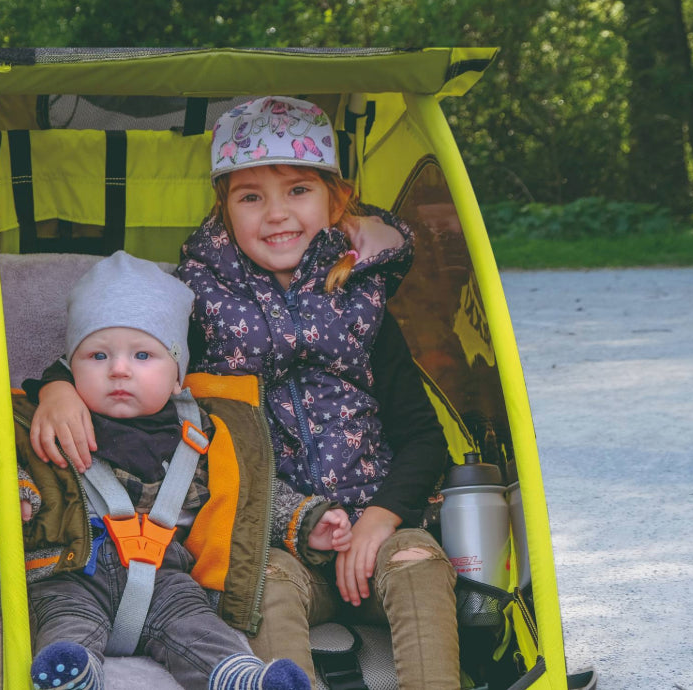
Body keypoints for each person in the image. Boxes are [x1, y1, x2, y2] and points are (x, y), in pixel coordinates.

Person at [28, 96, 461, 688]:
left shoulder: (365, 306)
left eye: (299, 190)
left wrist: (380, 521)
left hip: (378, 523)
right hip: (271, 539)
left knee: (418, 566)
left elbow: (422, 437)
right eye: (250, 196)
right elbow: (124, 351)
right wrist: (56, 388)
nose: (276, 213)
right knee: (263, 588)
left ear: (335, 201)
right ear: (225, 210)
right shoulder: (199, 307)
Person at [13, 251, 325, 690]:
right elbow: (30, 471)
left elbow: (248, 496)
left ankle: (236, 677)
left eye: (143, 355)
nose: (119, 370)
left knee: (198, 625)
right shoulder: (51, 421)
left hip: (168, 581)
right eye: (97, 356)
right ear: (69, 365)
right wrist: (20, 494)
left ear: (179, 375)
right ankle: (77, 673)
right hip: (76, 573)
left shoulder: (202, 433)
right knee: (62, 619)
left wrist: (308, 520)